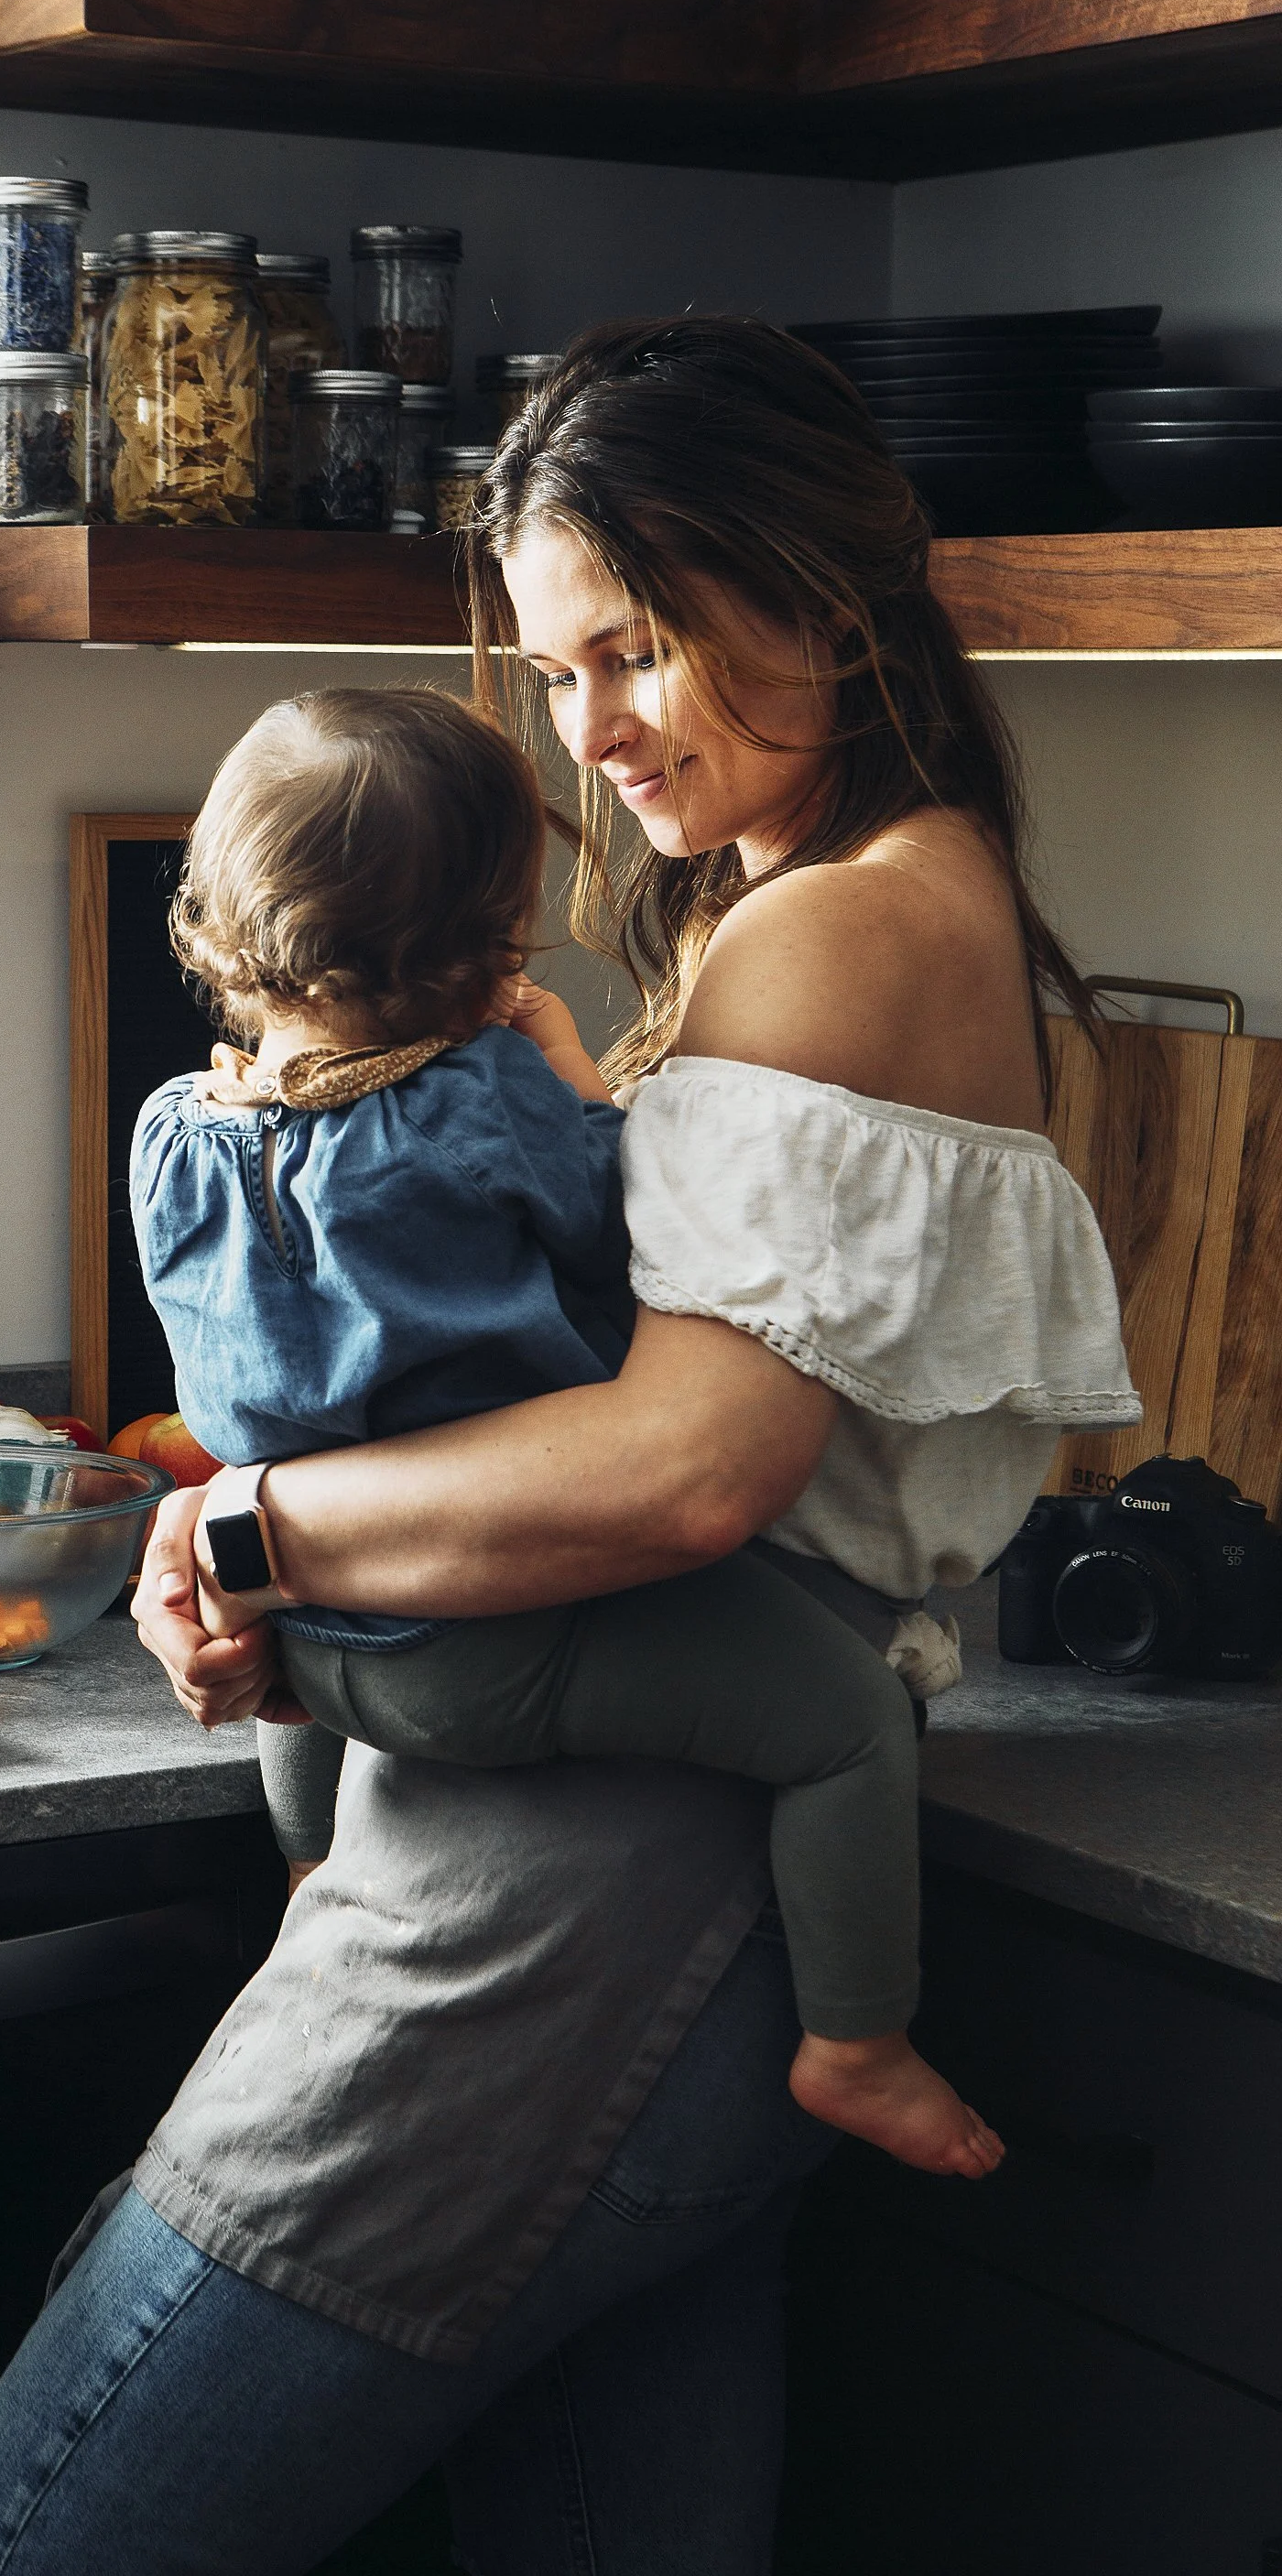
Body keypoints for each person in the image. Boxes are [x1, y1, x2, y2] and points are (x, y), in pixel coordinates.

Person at [0, 318, 1137, 2576]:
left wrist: (245, 1519)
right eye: (562, 673)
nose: (598, 731)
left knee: (26, 2535)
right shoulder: (858, 896)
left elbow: (683, 1475)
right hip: (640, 1888)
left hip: (563, 1919)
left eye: (640, 645)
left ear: (821, 605)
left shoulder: (832, 936)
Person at [132, 680, 1000, 2174]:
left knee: (296, 1659)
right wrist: (567, 1072)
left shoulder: (174, 1135)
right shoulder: (480, 1106)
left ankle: (308, 1866)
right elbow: (651, 1239)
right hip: (496, 1636)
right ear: (489, 942)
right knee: (850, 1725)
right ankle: (860, 2042)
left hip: (307, 1645)